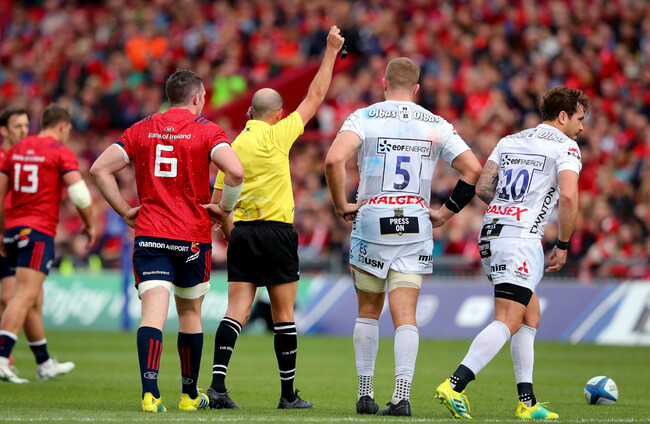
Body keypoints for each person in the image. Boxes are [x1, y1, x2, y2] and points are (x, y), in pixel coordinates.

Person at [324, 57, 482, 417]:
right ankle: (401, 397)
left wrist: (340, 204)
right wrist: (445, 212)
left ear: (384, 83)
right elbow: (473, 169)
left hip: (372, 220)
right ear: (417, 89)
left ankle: (366, 394)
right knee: (406, 314)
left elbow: (334, 161)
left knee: (368, 311)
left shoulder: (364, 117)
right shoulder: (436, 123)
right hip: (415, 221)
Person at [203, 25, 344, 411]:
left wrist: (231, 233)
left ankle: (217, 386)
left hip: (243, 234)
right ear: (278, 114)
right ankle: (287, 395)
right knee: (284, 315)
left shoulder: (231, 146)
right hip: (277, 233)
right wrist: (331, 51)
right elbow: (315, 95)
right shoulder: (280, 134)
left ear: (249, 112)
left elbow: (218, 206)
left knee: (236, 312)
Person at [90, 69, 244, 413]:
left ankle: (150, 394)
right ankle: (189, 396)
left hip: (151, 234)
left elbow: (99, 168)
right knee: (190, 313)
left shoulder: (141, 129)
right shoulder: (207, 130)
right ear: (197, 97)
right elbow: (236, 171)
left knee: (152, 314)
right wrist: (224, 209)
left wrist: (125, 211)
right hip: (191, 238)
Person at [434, 86, 589, 420]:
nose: (582, 127)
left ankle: (527, 402)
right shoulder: (566, 147)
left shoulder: (510, 140)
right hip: (520, 240)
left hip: (491, 233)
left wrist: (509, 209)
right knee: (507, 319)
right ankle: (454, 384)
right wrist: (562, 244)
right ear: (563, 116)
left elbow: (483, 187)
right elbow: (569, 197)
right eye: (579, 118)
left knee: (530, 317)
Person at [0, 105, 95, 383]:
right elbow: (79, 194)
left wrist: (2, 232)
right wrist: (89, 224)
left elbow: (0, 195)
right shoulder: (59, 151)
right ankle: (2, 357)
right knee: (23, 295)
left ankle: (44, 363)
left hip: (13, 230)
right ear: (63, 126)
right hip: (38, 231)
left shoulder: (15, 150)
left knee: (33, 298)